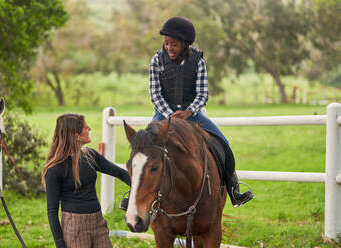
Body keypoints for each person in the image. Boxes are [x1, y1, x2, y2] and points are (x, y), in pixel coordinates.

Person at [149, 16, 253, 207]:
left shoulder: (198, 62)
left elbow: (202, 94)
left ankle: (233, 189)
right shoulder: (157, 60)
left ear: (185, 44)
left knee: (223, 143)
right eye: (166, 44)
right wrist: (170, 114)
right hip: (164, 113)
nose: (169, 48)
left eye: (173, 44)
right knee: (145, 145)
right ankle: (133, 193)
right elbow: (155, 94)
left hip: (193, 113)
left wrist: (188, 112)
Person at [42, 113, 130, 248]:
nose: (89, 129)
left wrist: (148, 188)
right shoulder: (54, 170)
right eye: (85, 128)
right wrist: (60, 244)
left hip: (98, 222)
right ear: (76, 135)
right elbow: (52, 212)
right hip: (75, 228)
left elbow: (120, 173)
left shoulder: (90, 155)